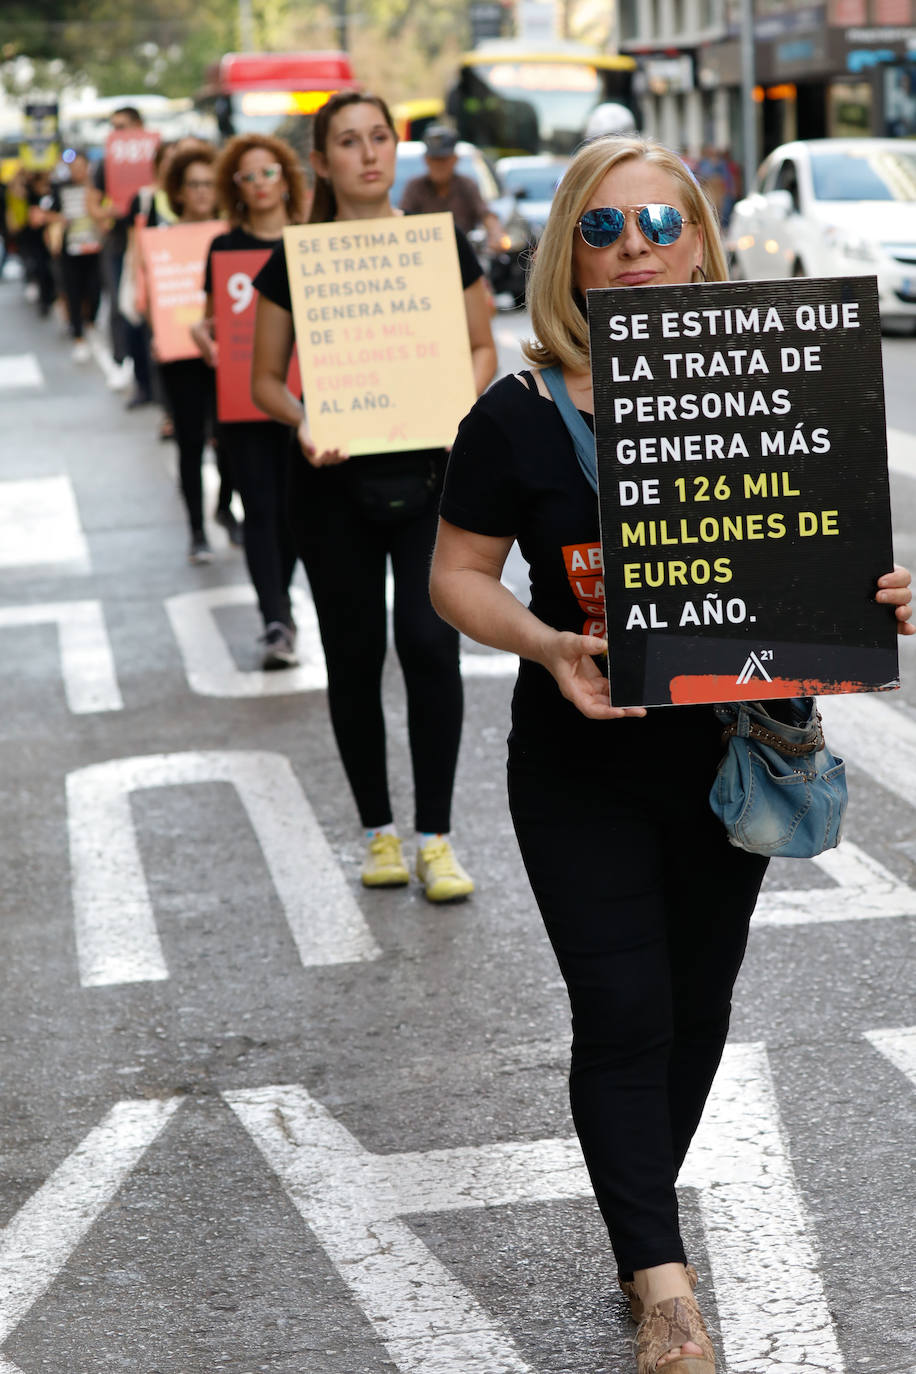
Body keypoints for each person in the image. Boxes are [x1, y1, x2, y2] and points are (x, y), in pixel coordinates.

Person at [428, 134, 914, 1373]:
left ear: (700, 241)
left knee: (696, 1010)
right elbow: (455, 578)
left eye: (658, 226)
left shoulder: (777, 383)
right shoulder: (515, 416)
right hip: (577, 764)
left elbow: (823, 543)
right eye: (601, 230)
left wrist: (877, 596)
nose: (633, 250)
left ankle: (632, 1209)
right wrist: (546, 644)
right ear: (565, 258)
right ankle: (661, 1280)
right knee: (624, 1006)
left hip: (729, 760)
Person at [251, 90, 497, 900]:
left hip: (430, 477)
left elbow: (480, 346)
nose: (368, 154)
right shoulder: (299, 255)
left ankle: (436, 837)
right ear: (320, 161)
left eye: (380, 138)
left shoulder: (438, 243)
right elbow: (263, 383)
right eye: (348, 142)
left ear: (397, 149)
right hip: (330, 483)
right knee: (354, 656)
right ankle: (377, 834)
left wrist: (462, 407)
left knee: (431, 645)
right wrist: (305, 417)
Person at [192, 133, 308, 668]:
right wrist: (205, 338)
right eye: (247, 176)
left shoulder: (315, 241)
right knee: (259, 508)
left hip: (311, 402)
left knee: (293, 514)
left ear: (286, 177)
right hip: (243, 401)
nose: (260, 184)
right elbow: (214, 321)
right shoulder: (224, 249)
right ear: (234, 188)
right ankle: (275, 619)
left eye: (268, 172)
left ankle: (279, 605)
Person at [153, 143, 235, 563]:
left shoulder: (231, 239)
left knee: (232, 441)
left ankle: (224, 506)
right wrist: (155, 326)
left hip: (229, 355)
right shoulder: (159, 242)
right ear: (178, 192)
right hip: (181, 356)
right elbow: (142, 298)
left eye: (209, 184)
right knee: (190, 442)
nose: (203, 193)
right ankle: (197, 530)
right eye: (194, 185)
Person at [399, 124, 504, 253]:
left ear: (454, 159)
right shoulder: (415, 187)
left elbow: (485, 214)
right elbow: (401, 221)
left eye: (444, 159)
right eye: (434, 159)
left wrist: (496, 233)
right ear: (426, 160)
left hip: (463, 256)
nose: (439, 165)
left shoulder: (467, 185)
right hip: (424, 256)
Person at [50, 150, 103, 362]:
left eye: (82, 167)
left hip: (95, 247)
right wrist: (59, 219)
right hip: (70, 250)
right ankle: (78, 335)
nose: (78, 171)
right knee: (73, 292)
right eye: (74, 167)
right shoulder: (59, 188)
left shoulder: (97, 186)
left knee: (95, 289)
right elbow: (48, 213)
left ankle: (89, 322)